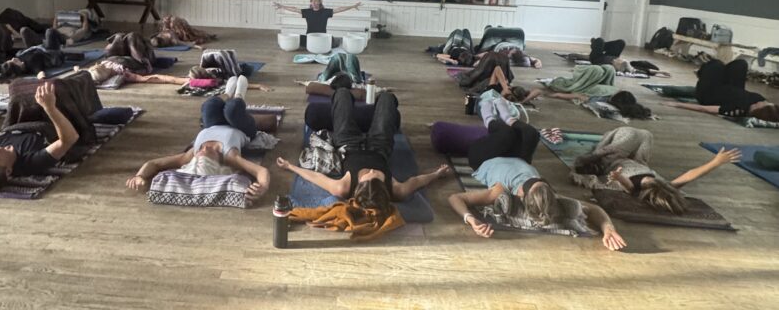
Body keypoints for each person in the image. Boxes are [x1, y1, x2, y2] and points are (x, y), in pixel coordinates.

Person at [447, 118, 627, 251]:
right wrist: (608, 228)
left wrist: (471, 220)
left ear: (522, 196)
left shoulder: (502, 190)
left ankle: (496, 119)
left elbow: (456, 198)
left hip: (484, 157)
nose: (539, 182)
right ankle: (501, 117)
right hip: (517, 158)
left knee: (507, 135)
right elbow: (594, 208)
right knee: (531, 133)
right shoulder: (545, 193)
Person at [275, 88, 451, 222]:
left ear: (358, 187)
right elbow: (418, 181)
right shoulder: (397, 190)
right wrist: (437, 174)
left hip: (348, 144)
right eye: (376, 176)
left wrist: (290, 166)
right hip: (379, 145)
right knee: (387, 98)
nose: (371, 171)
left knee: (342, 93)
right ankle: (367, 105)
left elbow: (316, 177)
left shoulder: (342, 188)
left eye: (367, 177)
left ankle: (349, 92)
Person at [0, 75, 100, 193]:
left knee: (18, 87)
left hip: (18, 121)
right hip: (53, 122)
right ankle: (87, 76)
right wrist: (50, 107)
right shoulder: (30, 163)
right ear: (8, 171)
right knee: (57, 87)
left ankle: (41, 78)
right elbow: (68, 139)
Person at [125, 86, 271, 202]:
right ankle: (239, 92)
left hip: (213, 124)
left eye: (201, 151)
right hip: (241, 127)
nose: (204, 147)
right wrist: (262, 187)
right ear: (216, 163)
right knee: (232, 109)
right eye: (208, 152)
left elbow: (155, 164)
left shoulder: (191, 156)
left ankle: (228, 91)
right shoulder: (230, 157)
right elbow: (261, 171)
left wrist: (140, 176)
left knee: (210, 104)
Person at [572, 127, 741, 214]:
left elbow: (626, 184)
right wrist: (716, 162)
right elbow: (690, 175)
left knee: (630, 133)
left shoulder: (635, 188)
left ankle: (593, 154)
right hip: (639, 161)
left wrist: (616, 176)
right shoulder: (665, 186)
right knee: (647, 134)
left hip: (612, 159)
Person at [669, 58, 779, 121]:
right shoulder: (759, 100)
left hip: (709, 92)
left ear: (758, 110)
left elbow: (704, 109)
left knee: (716, 65)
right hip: (730, 87)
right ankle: (715, 73)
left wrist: (678, 105)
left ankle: (702, 75)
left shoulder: (738, 110)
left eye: (764, 104)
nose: (764, 102)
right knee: (741, 64)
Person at [274, 0, 362, 47]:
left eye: (316, 1)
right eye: (312, 1)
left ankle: (322, 44)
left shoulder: (326, 12)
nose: (314, 3)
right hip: (310, 37)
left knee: (331, 40)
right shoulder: (307, 12)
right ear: (311, 3)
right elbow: (294, 9)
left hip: (322, 37)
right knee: (299, 38)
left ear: (320, 2)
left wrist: (353, 6)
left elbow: (339, 9)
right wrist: (282, 6)